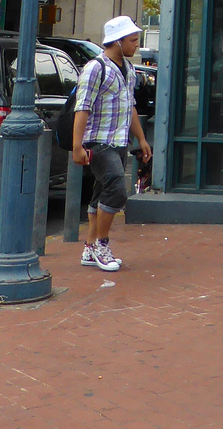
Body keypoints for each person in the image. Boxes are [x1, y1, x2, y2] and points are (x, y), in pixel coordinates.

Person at [72, 15, 152, 272]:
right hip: (98, 141)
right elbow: (82, 108)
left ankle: (88, 246)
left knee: (101, 192)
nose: (136, 45)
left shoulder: (129, 70)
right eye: (132, 40)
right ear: (117, 42)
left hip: (119, 141)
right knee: (117, 188)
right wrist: (77, 145)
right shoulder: (96, 68)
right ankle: (100, 244)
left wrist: (141, 139)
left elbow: (130, 107)